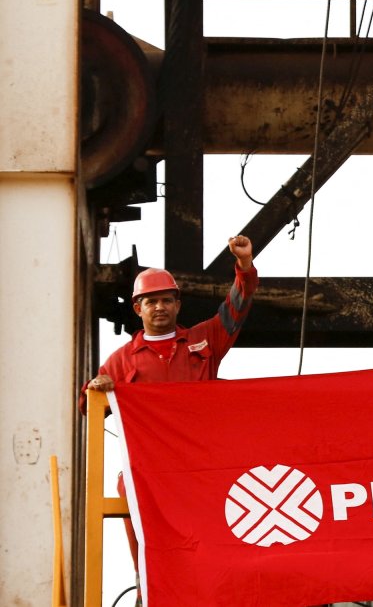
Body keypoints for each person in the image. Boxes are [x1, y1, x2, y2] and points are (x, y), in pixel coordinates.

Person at [80, 234, 258, 604]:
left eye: (165, 300)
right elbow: (87, 404)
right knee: (148, 545)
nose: (158, 307)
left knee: (213, 551)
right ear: (137, 309)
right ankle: (150, 591)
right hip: (147, 474)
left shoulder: (204, 340)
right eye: (150, 301)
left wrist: (243, 267)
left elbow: (236, 309)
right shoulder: (123, 359)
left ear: (177, 305)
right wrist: (98, 389)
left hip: (201, 470)